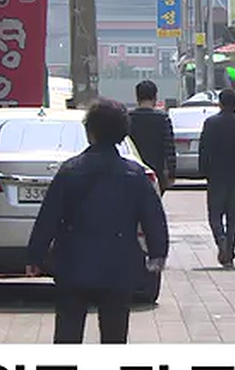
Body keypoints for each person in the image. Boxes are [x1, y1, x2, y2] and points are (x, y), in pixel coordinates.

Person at [25, 97, 169, 344]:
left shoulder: (70, 170)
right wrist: (158, 253)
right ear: (122, 134)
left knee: (68, 332)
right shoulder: (134, 174)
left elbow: (49, 216)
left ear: (90, 132)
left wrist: (35, 256)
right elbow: (153, 216)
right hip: (119, 265)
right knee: (115, 334)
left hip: (73, 262)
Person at [198, 87, 235, 268]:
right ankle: (229, 252)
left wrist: (204, 171)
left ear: (220, 103)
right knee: (233, 217)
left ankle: (221, 239)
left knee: (215, 215)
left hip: (216, 176)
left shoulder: (211, 123)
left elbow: (204, 149)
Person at [127, 80, 176, 194]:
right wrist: (171, 172)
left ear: (137, 97)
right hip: (157, 171)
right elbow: (169, 147)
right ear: (155, 97)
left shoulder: (129, 118)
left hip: (133, 170)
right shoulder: (162, 118)